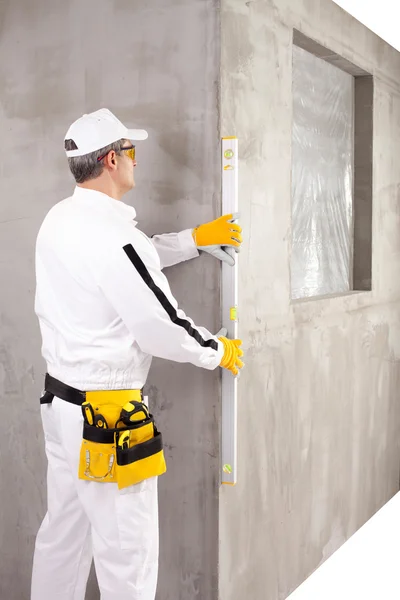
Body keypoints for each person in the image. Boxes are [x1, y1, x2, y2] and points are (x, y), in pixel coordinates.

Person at [31, 108, 244, 600]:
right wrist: (217, 349)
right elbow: (160, 326)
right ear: (110, 160)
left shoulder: (61, 219)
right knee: (128, 558)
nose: (135, 160)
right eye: (131, 151)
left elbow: (129, 263)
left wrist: (192, 241)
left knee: (62, 540)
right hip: (107, 422)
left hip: (61, 407)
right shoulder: (115, 238)